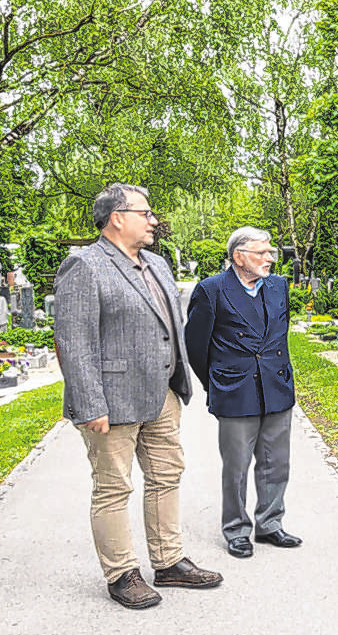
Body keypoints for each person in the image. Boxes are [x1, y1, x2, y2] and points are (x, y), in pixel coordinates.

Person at [55, 184, 222, 610]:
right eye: (145, 213)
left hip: (162, 393)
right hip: (112, 401)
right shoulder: (85, 265)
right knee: (113, 487)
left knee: (167, 476)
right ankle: (122, 573)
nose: (153, 221)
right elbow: (74, 343)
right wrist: (90, 404)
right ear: (117, 217)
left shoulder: (157, 264)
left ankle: (168, 561)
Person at [185, 227, 300, 558]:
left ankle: (270, 523)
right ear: (239, 256)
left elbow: (279, 333)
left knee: (276, 463)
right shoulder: (212, 290)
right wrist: (217, 381)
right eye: (262, 253)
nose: (269, 258)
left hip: (276, 386)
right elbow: (195, 344)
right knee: (236, 467)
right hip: (235, 389)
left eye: (270, 252)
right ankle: (236, 529)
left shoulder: (278, 285)